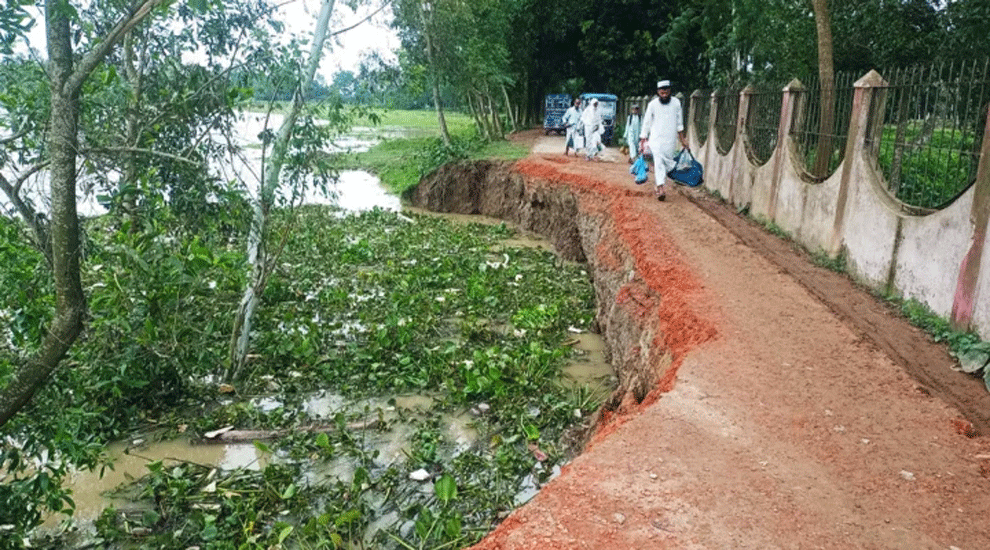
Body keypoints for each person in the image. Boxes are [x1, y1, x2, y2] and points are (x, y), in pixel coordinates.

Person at [639, 80, 689, 201]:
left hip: (670, 140)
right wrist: (643, 138)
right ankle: (660, 188)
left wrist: (683, 139)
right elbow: (646, 122)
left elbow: (679, 123)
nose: (664, 92)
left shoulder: (676, 103)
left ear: (670, 90)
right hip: (656, 140)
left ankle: (659, 184)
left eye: (666, 89)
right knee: (659, 161)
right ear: (658, 92)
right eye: (662, 90)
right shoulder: (652, 105)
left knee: (667, 164)